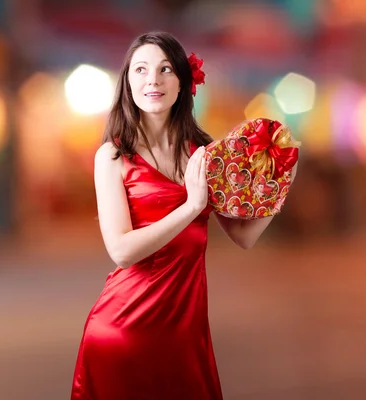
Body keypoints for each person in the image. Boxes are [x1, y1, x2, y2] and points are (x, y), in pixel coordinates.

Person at [70, 31, 297, 400]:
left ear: (183, 83)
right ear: (128, 83)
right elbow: (122, 251)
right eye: (140, 70)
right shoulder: (113, 156)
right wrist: (191, 207)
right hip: (123, 331)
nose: (152, 81)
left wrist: (281, 180)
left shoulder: (206, 154)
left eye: (164, 70)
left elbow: (243, 236)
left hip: (185, 338)